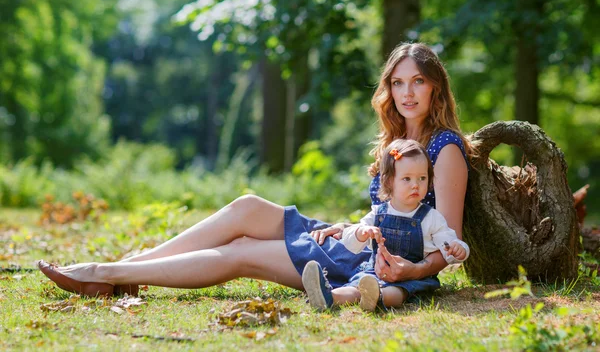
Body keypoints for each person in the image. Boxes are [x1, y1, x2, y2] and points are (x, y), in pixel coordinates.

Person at [38, 42, 473, 299]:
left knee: (242, 253)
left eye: (417, 81)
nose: (406, 92)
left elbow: (448, 247)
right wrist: (347, 227)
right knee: (246, 206)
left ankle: (103, 274)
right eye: (398, 82)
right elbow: (380, 216)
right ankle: (129, 265)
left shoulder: (444, 148)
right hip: (352, 242)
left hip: (371, 269)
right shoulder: (392, 141)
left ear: (435, 86)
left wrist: (408, 273)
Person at [302, 139, 469, 312]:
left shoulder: (431, 217)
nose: (415, 185)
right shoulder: (378, 213)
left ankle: (377, 298)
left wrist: (459, 249)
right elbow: (351, 242)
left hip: (413, 278)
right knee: (356, 286)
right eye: (407, 179)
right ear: (389, 182)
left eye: (422, 178)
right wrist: (362, 232)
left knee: (399, 291)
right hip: (375, 273)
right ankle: (329, 297)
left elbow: (449, 241)